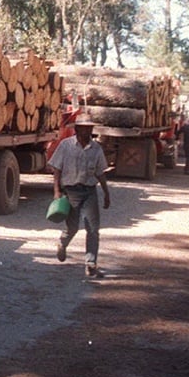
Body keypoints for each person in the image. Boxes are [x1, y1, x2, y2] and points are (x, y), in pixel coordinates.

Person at [48, 114, 111, 278]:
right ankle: (63, 242)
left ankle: (91, 263)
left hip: (89, 191)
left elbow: (100, 172)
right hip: (71, 191)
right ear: (76, 129)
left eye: (90, 128)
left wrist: (106, 193)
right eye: (84, 128)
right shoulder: (66, 145)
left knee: (93, 229)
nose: (88, 131)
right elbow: (57, 169)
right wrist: (57, 191)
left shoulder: (96, 148)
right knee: (73, 227)